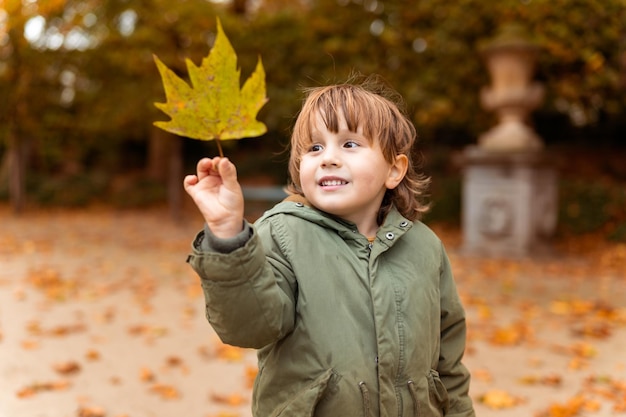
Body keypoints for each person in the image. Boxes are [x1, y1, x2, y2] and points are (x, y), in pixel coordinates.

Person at [184, 76, 475, 417]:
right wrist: (228, 235)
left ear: (394, 170)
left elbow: (449, 364)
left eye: (350, 144)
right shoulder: (281, 234)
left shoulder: (425, 248)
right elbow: (249, 325)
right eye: (314, 148)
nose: (328, 159)